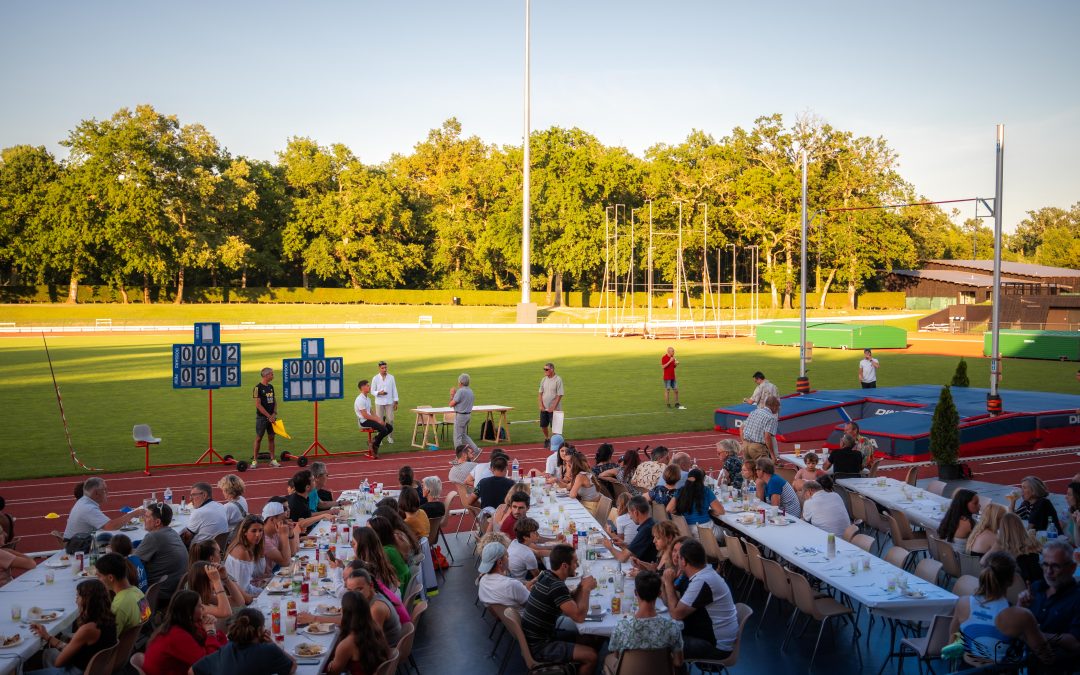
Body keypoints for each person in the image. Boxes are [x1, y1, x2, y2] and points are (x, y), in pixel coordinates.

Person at [521, 544, 598, 675]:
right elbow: (579, 617)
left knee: (589, 636)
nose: (578, 565)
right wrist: (586, 590)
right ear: (564, 565)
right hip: (541, 646)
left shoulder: (546, 575)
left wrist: (580, 587)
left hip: (533, 639)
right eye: (575, 562)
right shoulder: (557, 586)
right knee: (592, 656)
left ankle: (576, 662)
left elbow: (569, 599)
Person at [659, 539, 739, 661]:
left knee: (659, 643)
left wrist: (669, 584)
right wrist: (665, 583)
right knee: (662, 633)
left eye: (679, 557)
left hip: (715, 646)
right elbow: (671, 605)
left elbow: (675, 613)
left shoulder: (702, 581)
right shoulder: (703, 574)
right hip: (707, 635)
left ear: (684, 562)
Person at [949, 552, 1026, 667]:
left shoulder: (963, 603)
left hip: (967, 670)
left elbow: (952, 638)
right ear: (1012, 580)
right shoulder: (1016, 615)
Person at [27, 579, 117, 675]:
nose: (76, 600)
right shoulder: (109, 620)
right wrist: (47, 637)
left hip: (76, 671)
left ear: (87, 600)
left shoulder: (88, 629)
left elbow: (59, 662)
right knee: (44, 655)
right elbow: (75, 650)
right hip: (93, 669)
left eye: (78, 596)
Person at [1016, 540, 1080, 667]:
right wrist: (1020, 607)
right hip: (1022, 661)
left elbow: (1075, 642)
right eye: (1045, 565)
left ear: (1072, 568)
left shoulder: (1076, 598)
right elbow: (1016, 626)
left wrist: (1035, 635)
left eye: (1056, 566)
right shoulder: (1036, 588)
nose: (1049, 572)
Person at [606, 570, 684, 672]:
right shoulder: (672, 627)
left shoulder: (621, 626)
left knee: (606, 657)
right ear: (659, 593)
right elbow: (678, 662)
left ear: (635, 593)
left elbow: (617, 656)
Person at [143, 589, 226, 675]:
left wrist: (209, 626)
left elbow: (218, 646)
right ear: (189, 612)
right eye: (199, 606)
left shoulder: (179, 625)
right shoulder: (176, 635)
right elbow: (209, 664)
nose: (203, 608)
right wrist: (211, 632)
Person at [191, 608, 296, 675]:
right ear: (260, 630)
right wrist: (272, 644)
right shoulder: (268, 650)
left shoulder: (226, 649)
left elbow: (192, 671)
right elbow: (292, 667)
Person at [326, 590, 392, 675]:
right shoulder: (376, 629)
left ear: (344, 612)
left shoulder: (348, 644)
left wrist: (330, 664)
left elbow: (332, 672)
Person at [134, 502, 188, 603]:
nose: (143, 520)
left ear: (157, 522)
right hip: (174, 590)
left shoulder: (153, 537)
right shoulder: (173, 533)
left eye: (146, 516)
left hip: (159, 595)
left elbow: (131, 564)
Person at [62, 477, 143, 544]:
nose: (107, 492)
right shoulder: (88, 508)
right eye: (104, 489)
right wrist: (133, 513)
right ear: (96, 493)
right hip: (78, 546)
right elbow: (110, 526)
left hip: (76, 542)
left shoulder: (83, 501)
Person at [94, 552, 151, 635]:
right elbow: (145, 617)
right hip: (139, 640)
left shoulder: (118, 606)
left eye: (99, 576)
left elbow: (110, 639)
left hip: (123, 646)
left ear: (110, 578)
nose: (98, 580)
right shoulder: (137, 592)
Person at [981, 512, 1043, 584]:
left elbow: (982, 562)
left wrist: (997, 545)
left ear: (1002, 529)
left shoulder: (1002, 549)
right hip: (1035, 586)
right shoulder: (1032, 542)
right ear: (1021, 526)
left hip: (1013, 589)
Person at [602, 496, 659, 565]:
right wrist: (625, 544)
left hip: (643, 569)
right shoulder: (653, 522)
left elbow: (622, 558)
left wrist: (610, 547)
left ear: (635, 512)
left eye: (629, 513)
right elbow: (639, 548)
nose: (630, 517)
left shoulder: (646, 529)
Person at [223, 514, 265, 603]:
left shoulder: (250, 547)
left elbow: (261, 572)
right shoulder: (242, 552)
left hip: (246, 592)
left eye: (260, 530)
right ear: (244, 532)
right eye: (254, 531)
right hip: (240, 600)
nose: (258, 535)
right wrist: (262, 595)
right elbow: (242, 590)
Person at [478, 541, 532, 608]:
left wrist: (524, 587)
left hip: (504, 617)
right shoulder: (512, 585)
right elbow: (531, 603)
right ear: (500, 562)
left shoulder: (482, 581)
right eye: (507, 556)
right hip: (525, 616)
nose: (509, 557)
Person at [368, 516, 412, 598]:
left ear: (378, 534)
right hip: (400, 586)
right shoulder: (390, 546)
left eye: (368, 531)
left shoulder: (386, 552)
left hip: (397, 591)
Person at [259, 500, 299, 575]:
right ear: (272, 519)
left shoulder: (275, 533)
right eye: (282, 519)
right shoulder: (263, 539)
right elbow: (285, 562)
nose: (285, 522)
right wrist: (284, 535)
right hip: (264, 582)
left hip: (274, 573)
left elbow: (293, 553)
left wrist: (290, 533)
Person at [354, 379, 391, 459]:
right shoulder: (360, 399)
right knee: (384, 430)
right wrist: (377, 420)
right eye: (368, 385)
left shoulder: (368, 399)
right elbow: (365, 415)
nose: (369, 387)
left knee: (389, 428)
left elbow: (371, 411)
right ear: (362, 387)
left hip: (369, 419)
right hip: (364, 421)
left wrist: (379, 419)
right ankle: (375, 446)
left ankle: (373, 442)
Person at [251, 367, 279, 468]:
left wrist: (274, 413)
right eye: (272, 374)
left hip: (271, 417)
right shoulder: (257, 388)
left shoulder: (271, 387)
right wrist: (268, 416)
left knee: (271, 438)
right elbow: (258, 405)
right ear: (266, 375)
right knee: (259, 438)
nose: (273, 376)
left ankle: (272, 459)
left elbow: (274, 401)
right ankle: (254, 460)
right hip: (262, 418)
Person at [446, 372, 480, 454]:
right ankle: (476, 450)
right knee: (464, 435)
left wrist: (452, 394)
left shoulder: (460, 391)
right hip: (468, 415)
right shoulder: (470, 391)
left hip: (460, 416)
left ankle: (459, 457)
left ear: (460, 382)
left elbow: (451, 404)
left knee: (457, 438)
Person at [740, 396, 779, 462]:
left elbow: (741, 428)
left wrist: (744, 442)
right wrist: (773, 455)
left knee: (748, 470)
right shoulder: (771, 418)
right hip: (757, 448)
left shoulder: (754, 412)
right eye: (778, 406)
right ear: (774, 406)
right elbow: (767, 437)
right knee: (764, 470)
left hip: (745, 446)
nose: (778, 409)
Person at [371, 360, 399, 445]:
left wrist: (396, 401)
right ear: (379, 368)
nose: (384, 369)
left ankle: (390, 437)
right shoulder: (375, 378)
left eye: (385, 367)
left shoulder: (391, 377)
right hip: (379, 402)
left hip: (389, 402)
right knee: (379, 421)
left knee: (390, 420)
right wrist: (379, 393)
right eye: (382, 368)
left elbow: (394, 389)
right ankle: (379, 438)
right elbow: (372, 391)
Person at [538, 362, 565, 447]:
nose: (545, 371)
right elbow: (540, 393)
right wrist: (541, 405)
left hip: (555, 409)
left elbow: (560, 394)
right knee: (543, 425)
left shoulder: (558, 379)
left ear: (552, 369)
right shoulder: (544, 379)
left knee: (555, 428)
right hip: (544, 408)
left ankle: (555, 443)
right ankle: (547, 439)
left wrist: (553, 406)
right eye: (544, 369)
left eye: (546, 369)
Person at [508, 517, 542, 581]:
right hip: (520, 583)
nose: (538, 535)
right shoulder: (528, 554)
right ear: (525, 537)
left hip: (511, 576)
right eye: (534, 532)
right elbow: (537, 576)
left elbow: (537, 552)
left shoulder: (514, 542)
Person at [1065, 481, 1080, 547]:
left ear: (1077, 496)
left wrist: (1076, 525)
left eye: (1069, 494)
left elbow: (1078, 545)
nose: (1066, 497)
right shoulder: (1072, 510)